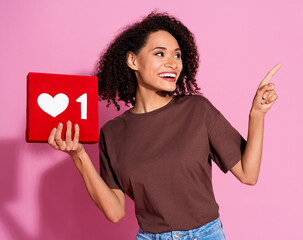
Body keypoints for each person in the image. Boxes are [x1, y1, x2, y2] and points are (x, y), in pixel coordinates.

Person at [48, 10, 281, 240]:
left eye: (177, 55)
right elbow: (115, 212)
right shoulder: (112, 133)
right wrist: (78, 155)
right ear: (133, 60)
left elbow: (248, 174)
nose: (172, 63)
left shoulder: (197, 110)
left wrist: (257, 114)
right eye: (160, 54)